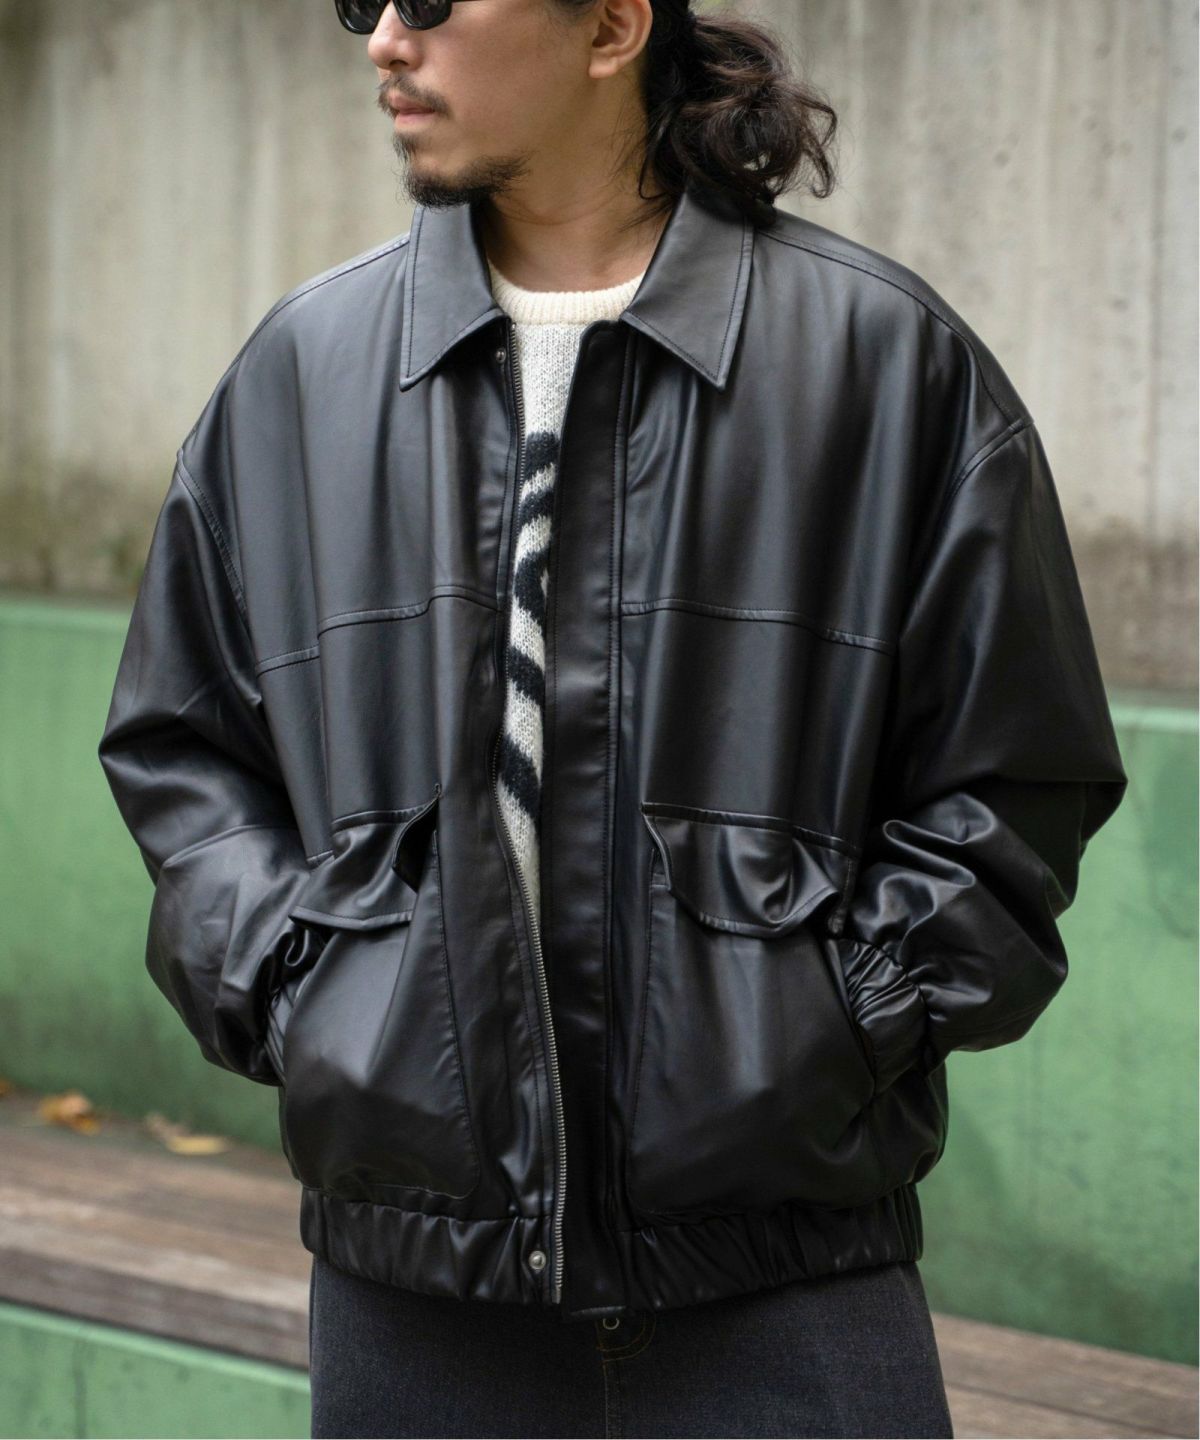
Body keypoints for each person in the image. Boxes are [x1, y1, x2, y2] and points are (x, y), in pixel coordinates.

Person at [96, 0, 1129, 1435]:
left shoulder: (880, 363)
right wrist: (310, 995)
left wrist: (836, 1023)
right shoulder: (301, 375)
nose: (384, 39)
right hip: (414, 1309)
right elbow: (183, 753)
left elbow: (1014, 782)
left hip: (785, 1294)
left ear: (611, 26)